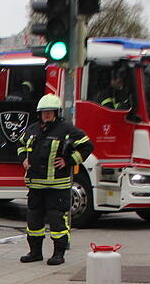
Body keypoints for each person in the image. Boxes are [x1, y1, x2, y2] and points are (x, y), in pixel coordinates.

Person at [17, 94, 94, 265]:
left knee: (57, 220)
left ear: (56, 113)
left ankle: (59, 253)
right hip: (35, 185)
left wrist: (69, 160)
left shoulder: (66, 130)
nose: (46, 115)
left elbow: (87, 145)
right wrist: (24, 158)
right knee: (34, 220)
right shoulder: (32, 129)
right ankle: (35, 252)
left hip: (57, 186)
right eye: (43, 112)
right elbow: (20, 144)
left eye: (50, 112)